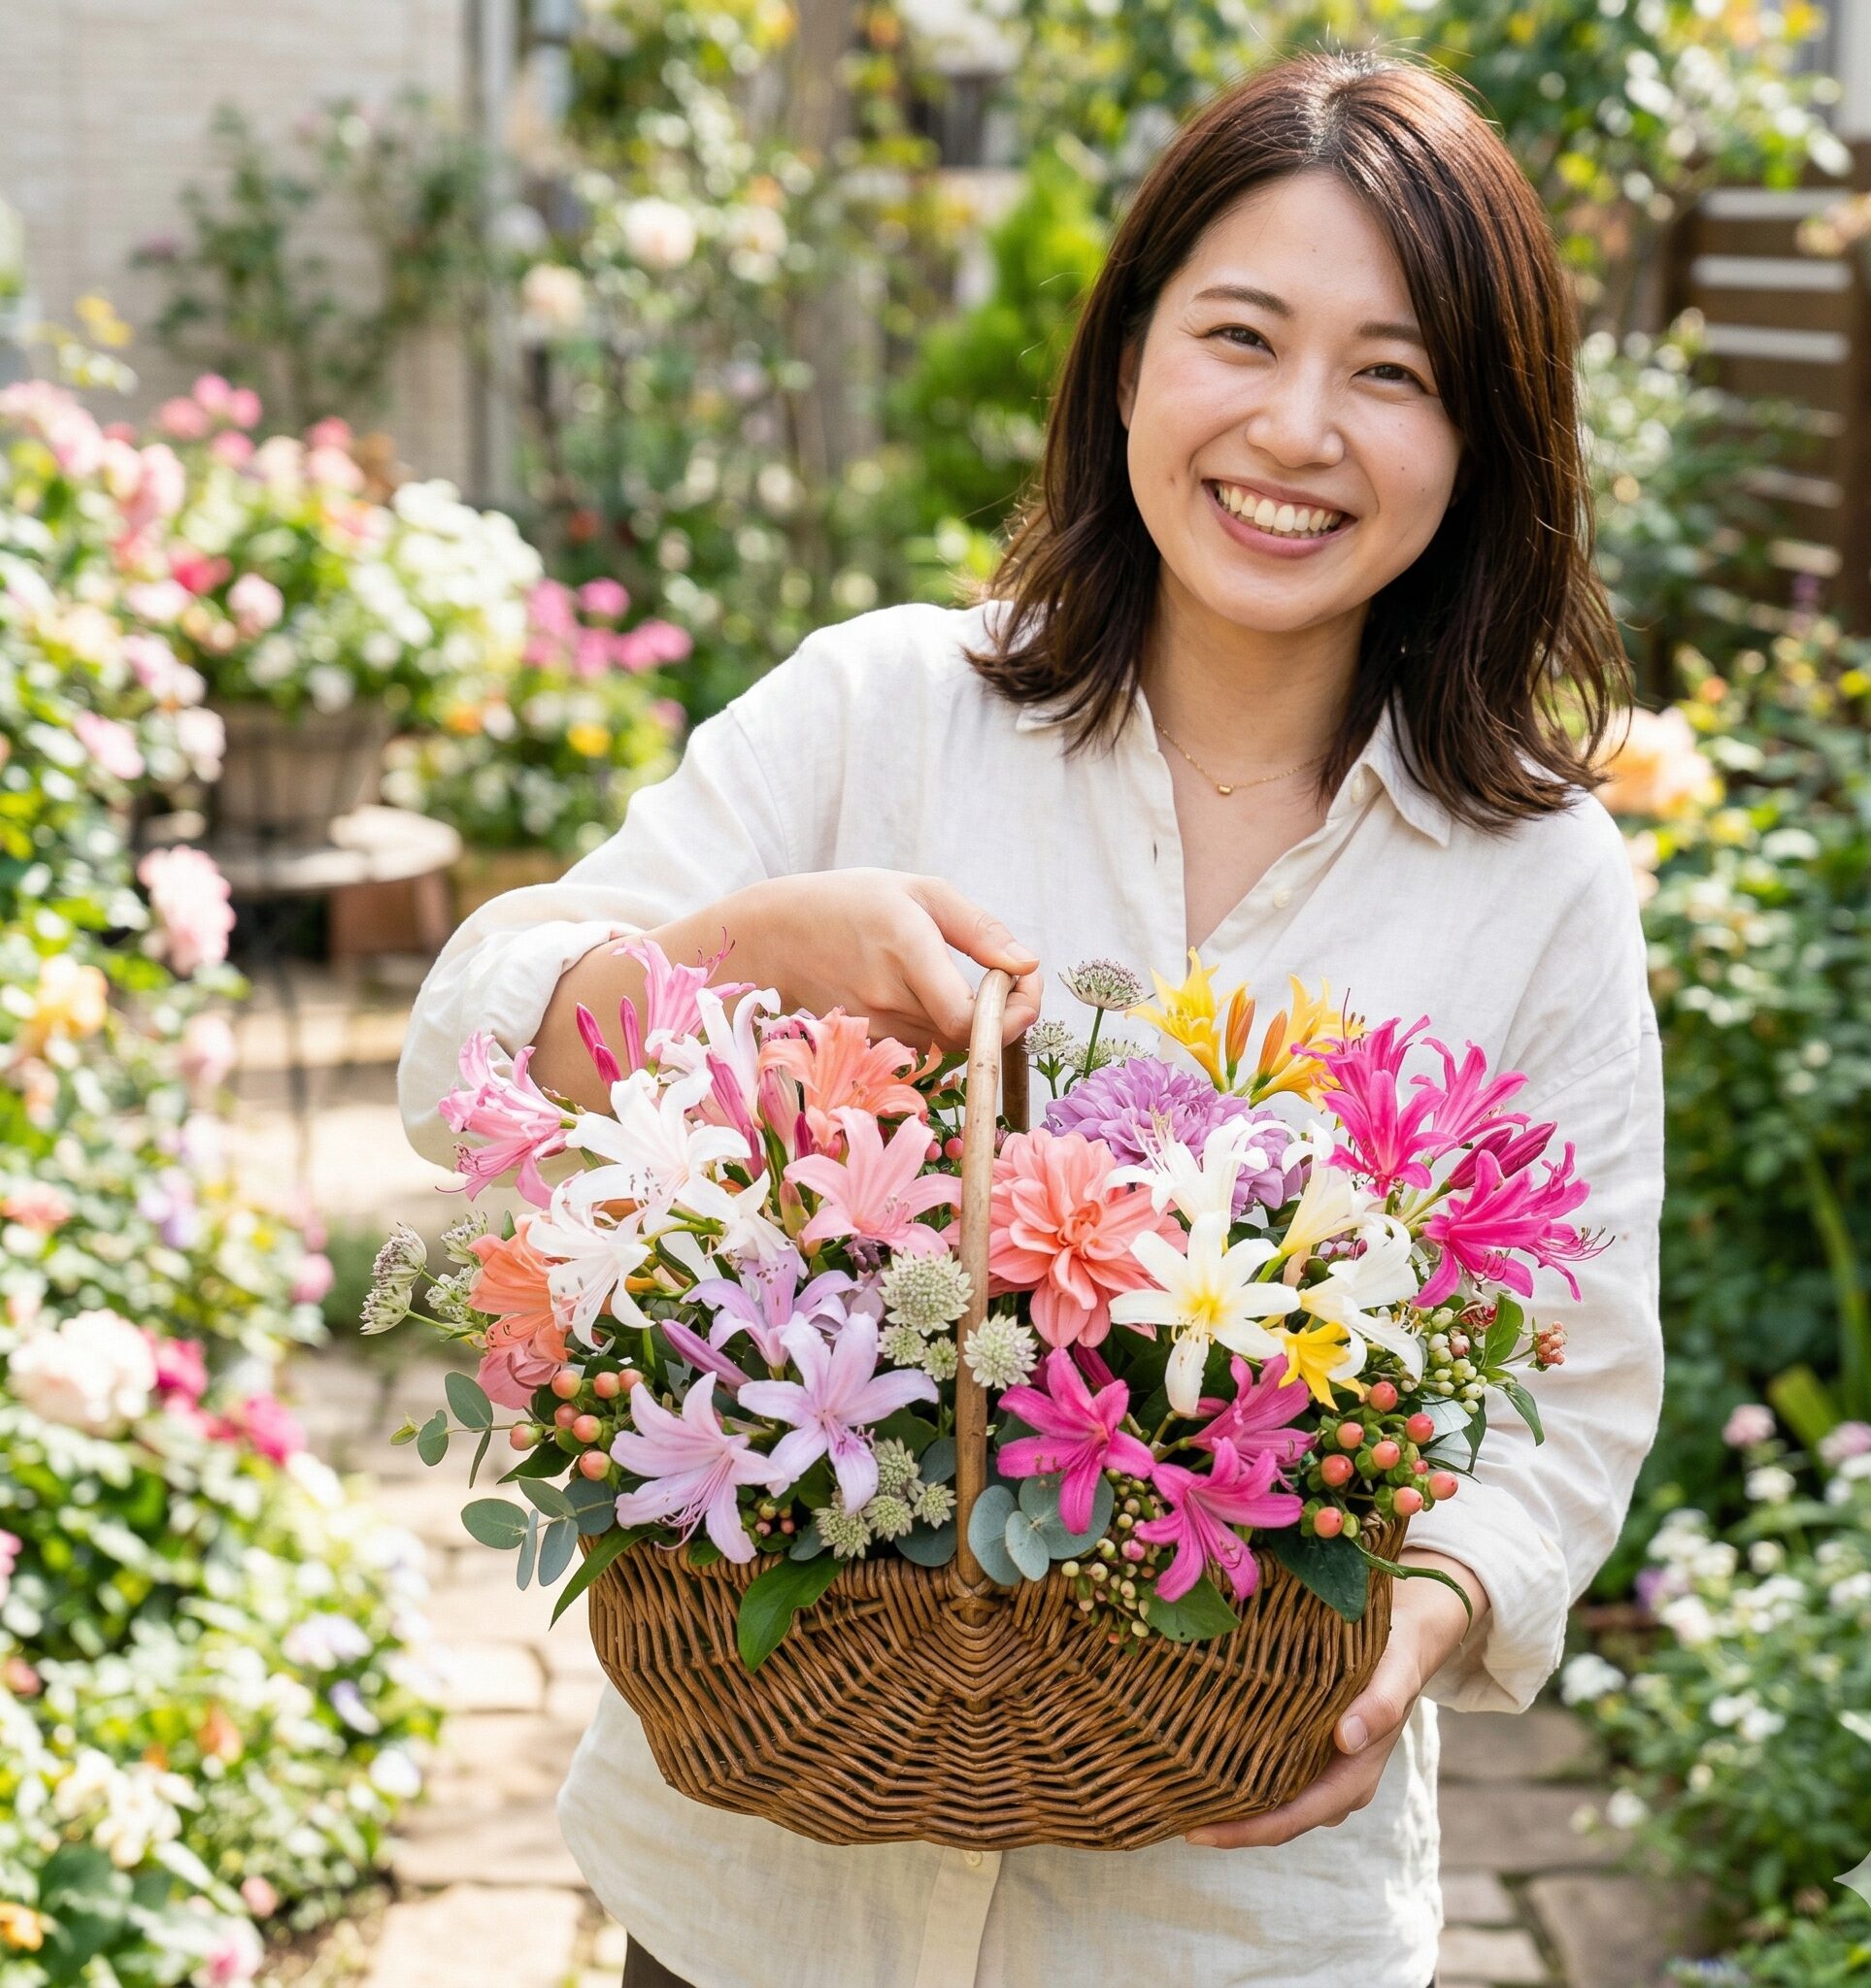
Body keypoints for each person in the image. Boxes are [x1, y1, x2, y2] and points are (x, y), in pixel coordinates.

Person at [397, 48, 1664, 1988]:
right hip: (758, 1904)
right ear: (1129, 356)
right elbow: (465, 1044)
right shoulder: (878, 712)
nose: (1298, 427)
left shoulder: (1535, 879)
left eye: (1391, 372)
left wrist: (1418, 1612)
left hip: (1229, 1922)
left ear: (1484, 436)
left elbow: (1571, 1396)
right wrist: (739, 949)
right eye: (1239, 334)